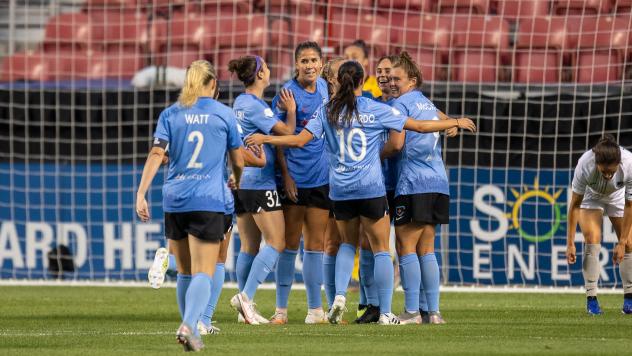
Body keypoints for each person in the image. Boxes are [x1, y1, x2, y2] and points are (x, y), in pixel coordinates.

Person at [246, 60, 476, 325]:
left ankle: (339, 298)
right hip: (371, 188)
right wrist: (455, 120)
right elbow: (420, 126)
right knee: (381, 250)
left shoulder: (327, 110)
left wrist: (266, 139)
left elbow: (298, 141)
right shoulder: (374, 108)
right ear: (360, 82)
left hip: (341, 190)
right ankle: (387, 313)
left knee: (346, 244)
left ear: (338, 81)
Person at [136, 60, 243, 351]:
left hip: (175, 199)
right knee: (204, 272)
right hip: (208, 200)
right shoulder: (224, 114)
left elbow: (157, 154)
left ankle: (189, 324)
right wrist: (236, 179)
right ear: (212, 85)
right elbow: (238, 159)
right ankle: (190, 324)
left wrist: (141, 193)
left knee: (184, 272)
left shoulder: (171, 114)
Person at [385, 52, 464, 325]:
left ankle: (411, 312)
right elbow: (445, 120)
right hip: (438, 183)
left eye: (397, 78)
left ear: (412, 80)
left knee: (405, 247)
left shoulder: (400, 105)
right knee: (427, 249)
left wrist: (372, 156)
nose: (391, 82)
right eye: (390, 78)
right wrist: (453, 123)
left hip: (413, 182)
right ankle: (433, 312)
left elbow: (396, 145)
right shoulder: (427, 104)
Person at [227, 55, 298, 325]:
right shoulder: (256, 106)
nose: (269, 70)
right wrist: (290, 110)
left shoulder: (239, 103)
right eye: (266, 68)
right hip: (260, 182)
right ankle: (246, 297)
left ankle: (246, 310)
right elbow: (288, 133)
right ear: (259, 75)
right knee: (277, 242)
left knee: (249, 246)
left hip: (242, 182)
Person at [270, 41, 330, 324]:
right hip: (294, 176)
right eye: (303, 61)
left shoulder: (326, 90)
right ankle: (281, 310)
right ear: (296, 65)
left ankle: (315, 310)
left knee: (316, 245)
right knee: (289, 243)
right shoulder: (286, 93)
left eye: (313, 60)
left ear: (321, 63)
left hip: (321, 177)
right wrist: (287, 175)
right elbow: (279, 138)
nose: (309, 65)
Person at [566, 134, 632, 315]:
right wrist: (570, 243)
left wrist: (621, 242)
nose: (608, 175)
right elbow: (574, 206)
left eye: (612, 171)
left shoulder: (629, 164)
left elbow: (630, 205)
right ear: (596, 163)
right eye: (604, 171)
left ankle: (629, 299)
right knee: (592, 239)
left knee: (629, 244)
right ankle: (592, 299)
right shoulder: (584, 165)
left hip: (618, 197)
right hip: (591, 197)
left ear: (619, 162)